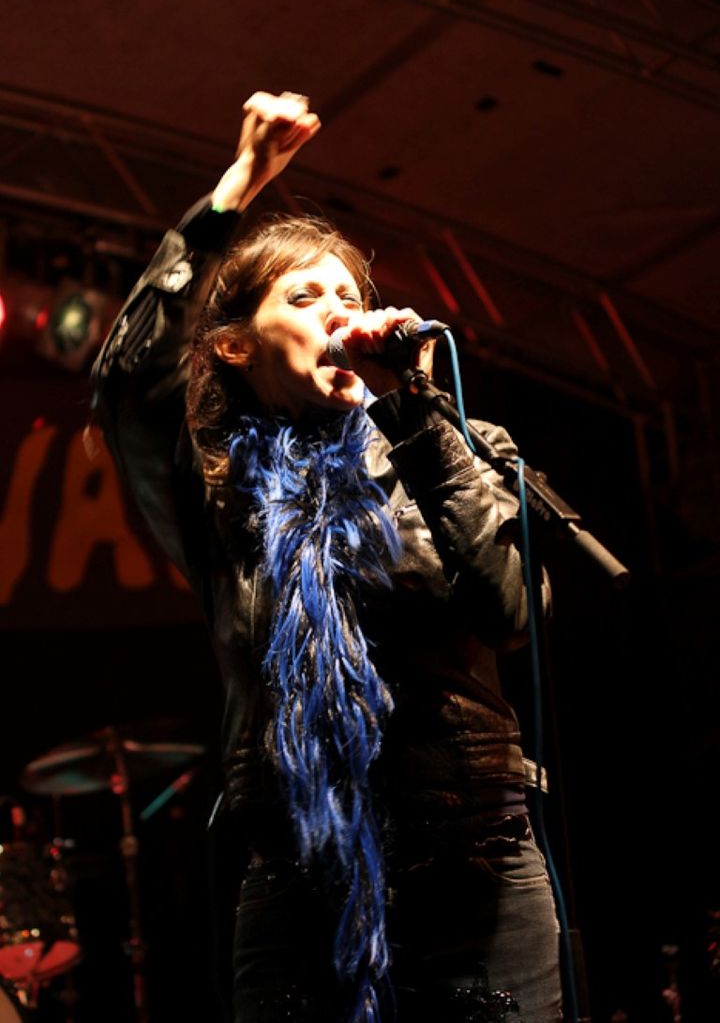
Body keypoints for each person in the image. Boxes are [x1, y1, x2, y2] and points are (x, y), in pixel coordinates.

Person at [92, 91, 562, 1023]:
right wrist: (238, 184)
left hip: (479, 873)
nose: (340, 313)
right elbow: (126, 376)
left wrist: (425, 420)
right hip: (298, 882)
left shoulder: (458, 447)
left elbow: (512, 612)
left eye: (350, 296)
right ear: (236, 345)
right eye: (304, 298)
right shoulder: (218, 491)